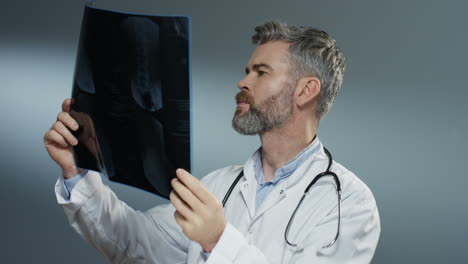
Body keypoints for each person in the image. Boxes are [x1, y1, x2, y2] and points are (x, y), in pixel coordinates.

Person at [44, 21, 380, 263]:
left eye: (261, 72)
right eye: (247, 70)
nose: (242, 81)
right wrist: (77, 171)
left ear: (306, 90)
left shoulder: (348, 204)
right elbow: (133, 243)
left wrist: (217, 240)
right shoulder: (219, 185)